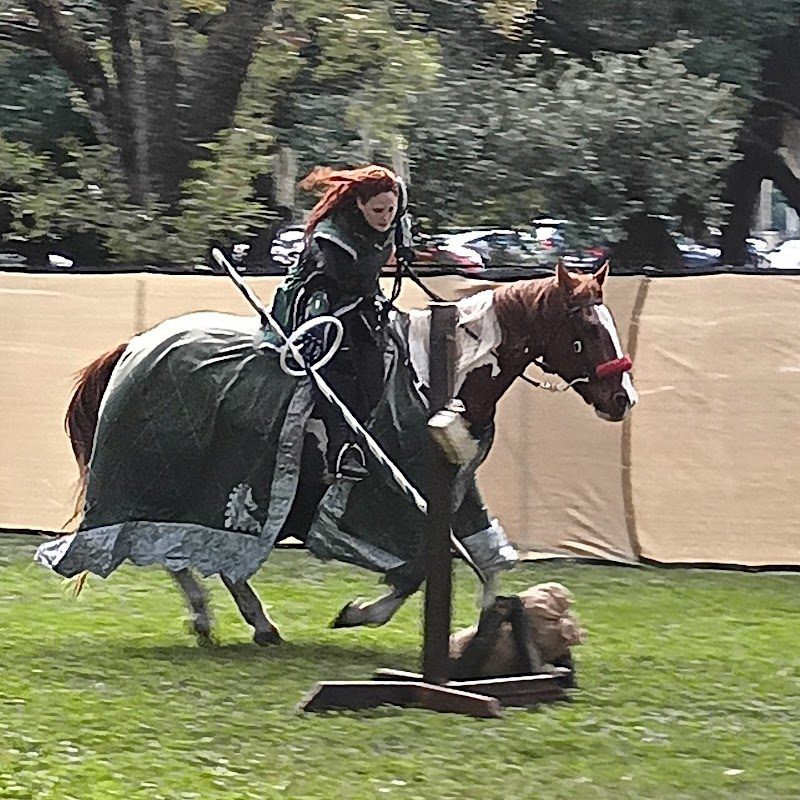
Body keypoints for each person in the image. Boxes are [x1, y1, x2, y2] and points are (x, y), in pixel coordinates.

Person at [271, 164, 407, 481]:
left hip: (362, 302)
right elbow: (335, 285)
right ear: (359, 204)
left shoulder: (393, 214)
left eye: (391, 209)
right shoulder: (331, 237)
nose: (385, 217)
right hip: (321, 301)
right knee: (339, 366)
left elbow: (398, 222)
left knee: (382, 364)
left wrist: (405, 245)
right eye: (377, 210)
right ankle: (340, 449)